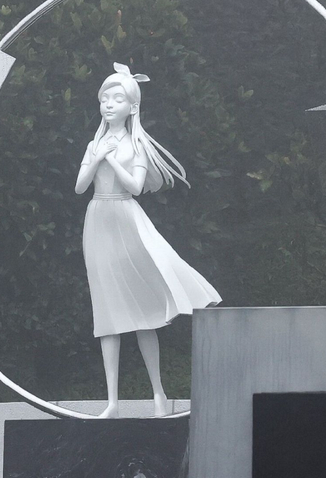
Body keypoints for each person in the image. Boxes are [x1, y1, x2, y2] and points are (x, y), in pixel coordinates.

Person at [75, 62, 222, 418]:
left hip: (126, 220)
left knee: (142, 314)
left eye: (117, 99)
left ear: (132, 106)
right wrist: (97, 157)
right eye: (104, 99)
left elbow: (136, 187)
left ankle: (158, 393)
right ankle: (112, 401)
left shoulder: (136, 145)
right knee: (107, 313)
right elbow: (79, 187)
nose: (109, 105)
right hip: (98, 221)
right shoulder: (94, 144)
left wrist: (111, 159)